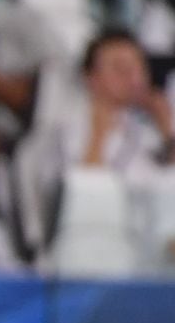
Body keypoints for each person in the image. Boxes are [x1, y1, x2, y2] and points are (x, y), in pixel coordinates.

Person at [21, 29, 175, 250]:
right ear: (91, 77)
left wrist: (167, 131)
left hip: (148, 249)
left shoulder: (149, 130)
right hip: (90, 249)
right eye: (119, 68)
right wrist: (98, 134)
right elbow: (82, 203)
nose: (132, 77)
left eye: (137, 67)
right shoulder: (67, 130)